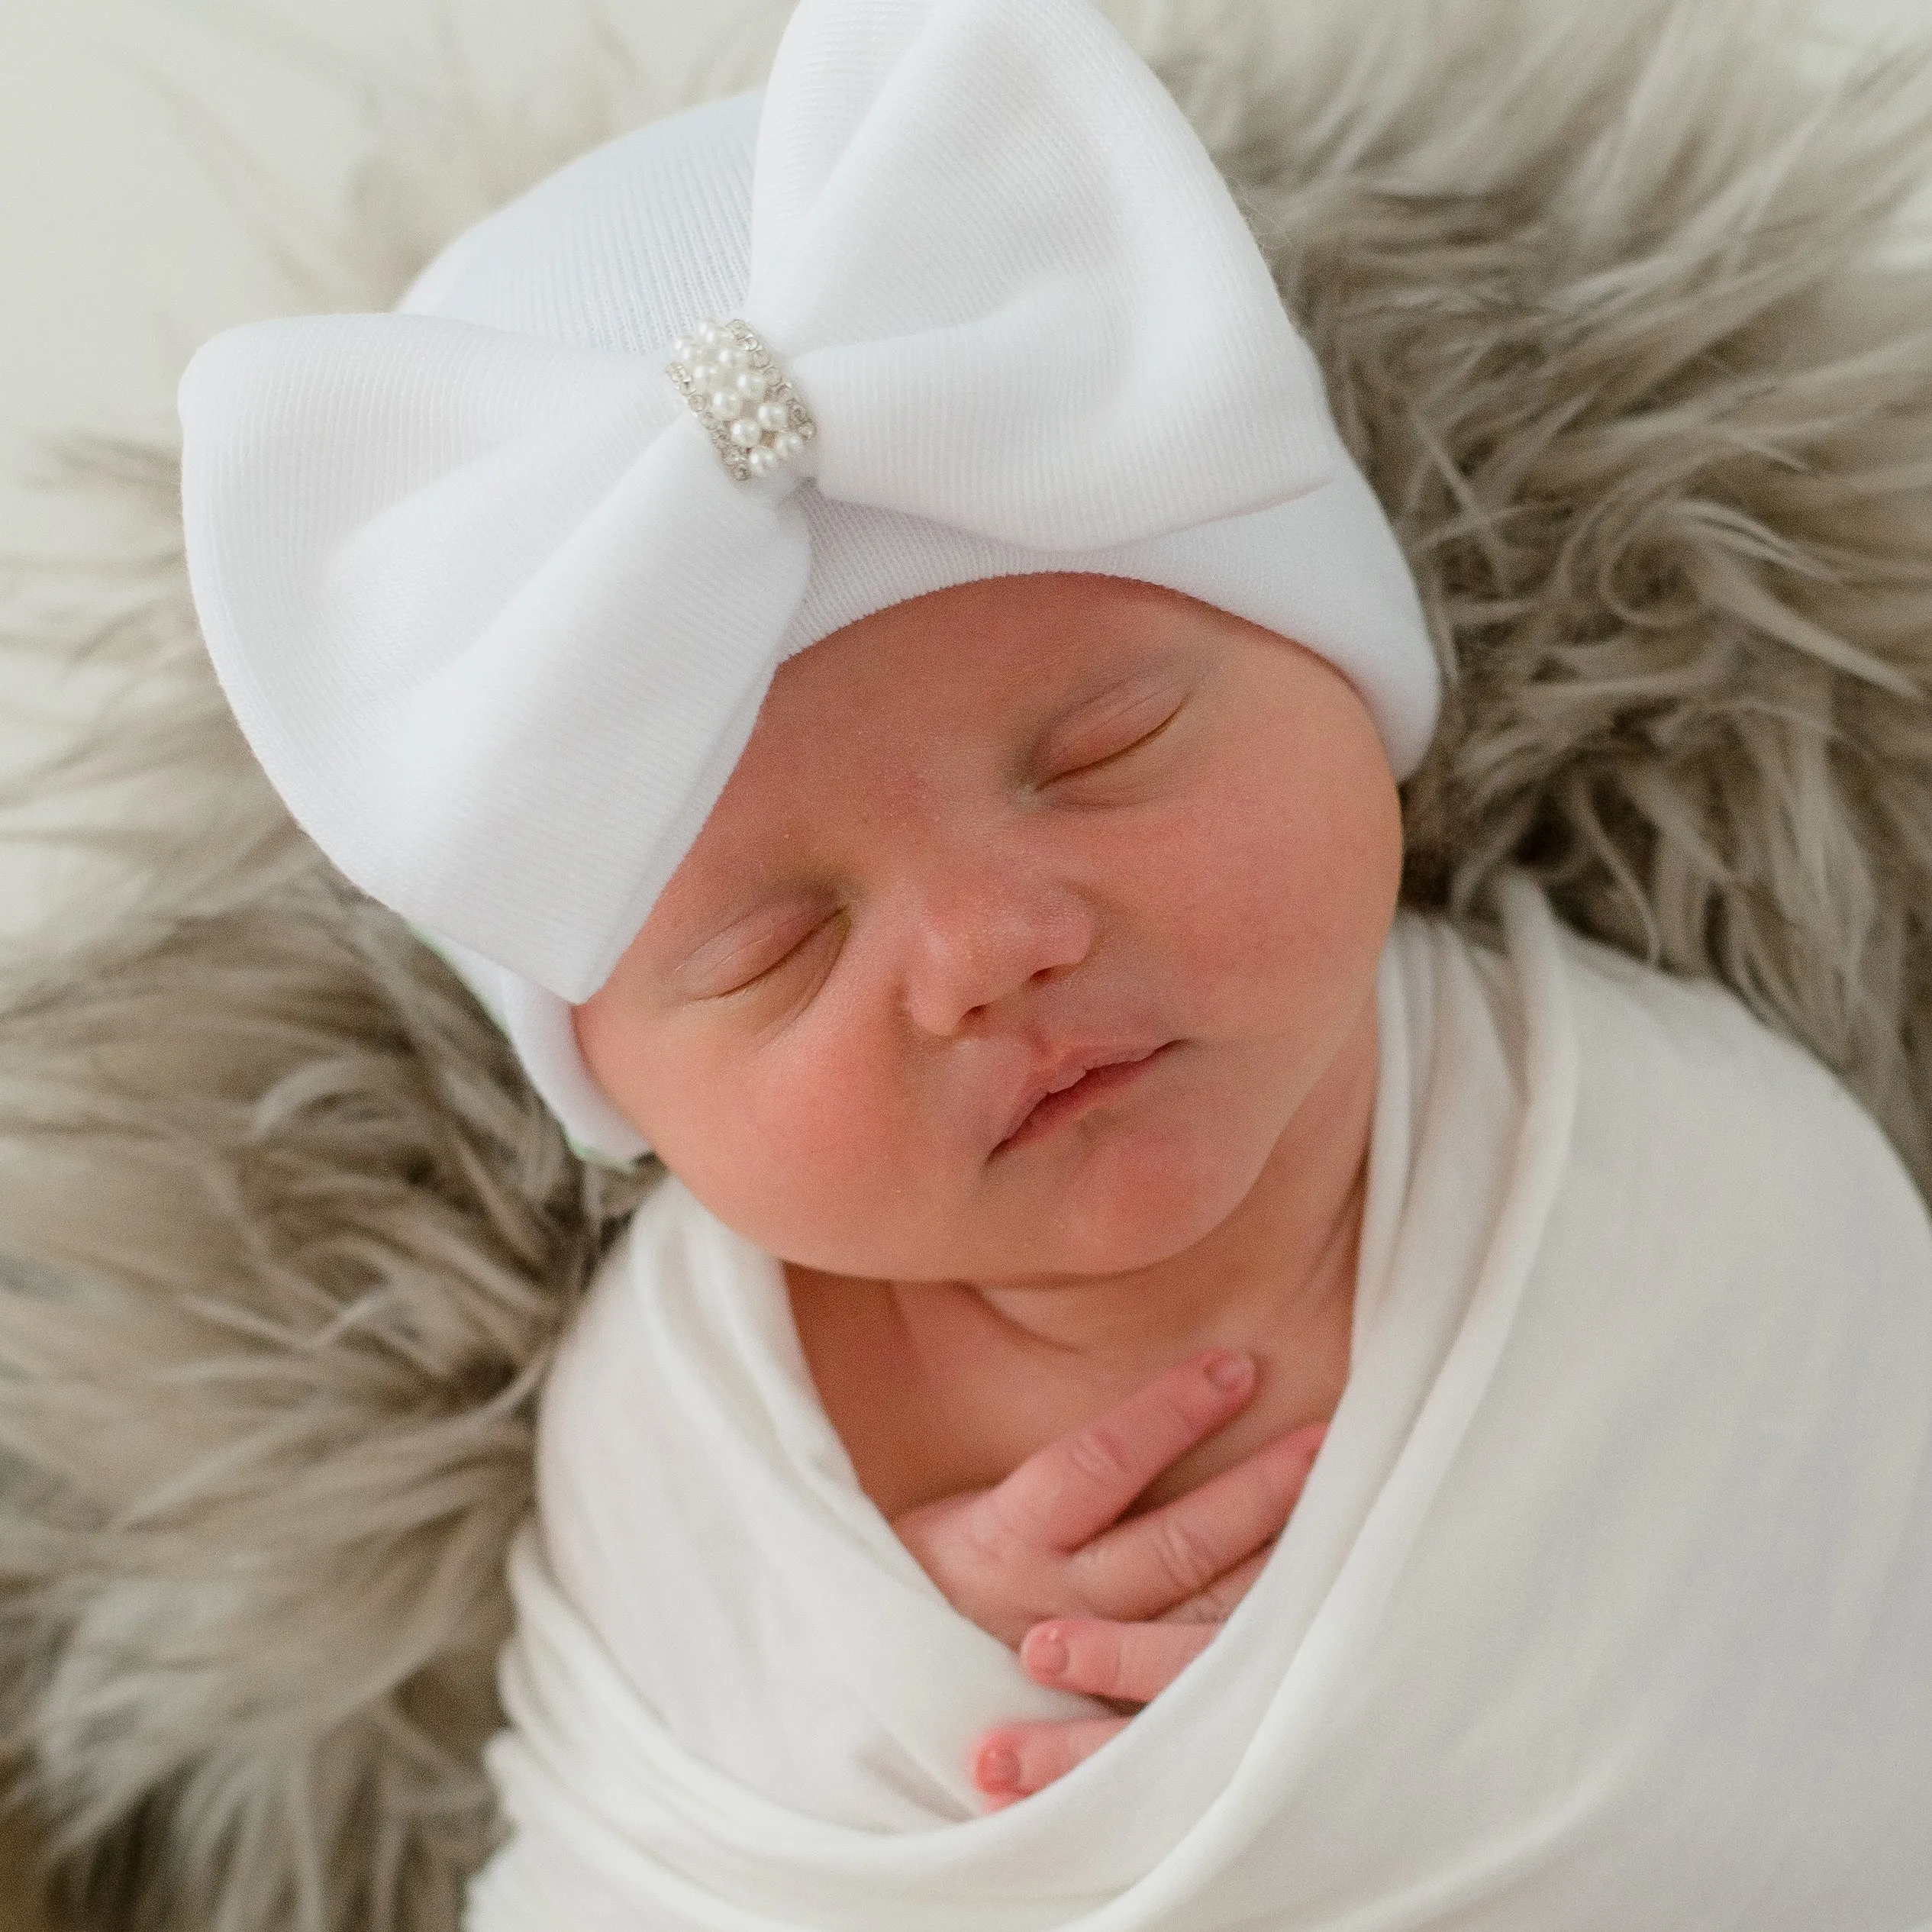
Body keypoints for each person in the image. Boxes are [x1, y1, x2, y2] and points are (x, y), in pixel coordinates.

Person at [160, 0, 1932, 1923]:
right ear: (619, 1093)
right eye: (776, 946)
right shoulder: (680, 1425)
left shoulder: (1705, 1187)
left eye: (1103, 752)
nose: (988, 952)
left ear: (1344, 677)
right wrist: (894, 1673)